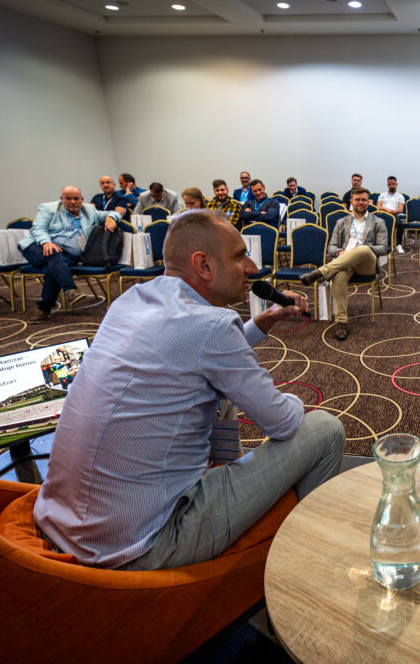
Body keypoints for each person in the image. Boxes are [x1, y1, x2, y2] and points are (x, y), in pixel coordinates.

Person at [33, 210, 345, 569]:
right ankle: (304, 561)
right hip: (145, 543)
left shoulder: (131, 301)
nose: (252, 267)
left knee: (221, 395)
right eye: (240, 256)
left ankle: (228, 484)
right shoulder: (212, 326)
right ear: (204, 265)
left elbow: (195, 352)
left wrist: (264, 320)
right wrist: (293, 400)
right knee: (325, 429)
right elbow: (283, 423)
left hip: (65, 522)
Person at [19, 186, 121, 323]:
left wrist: (111, 218)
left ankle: (44, 308)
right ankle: (69, 288)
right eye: (68, 198)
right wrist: (46, 242)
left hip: (67, 255)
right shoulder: (48, 208)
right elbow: (38, 228)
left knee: (52, 269)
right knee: (54, 254)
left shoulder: (89, 210)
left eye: (76, 198)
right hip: (38, 247)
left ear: (82, 199)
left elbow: (115, 213)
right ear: (61, 199)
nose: (72, 202)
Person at [300, 188, 388, 341]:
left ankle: (320, 272)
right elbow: (331, 247)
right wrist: (341, 252)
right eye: (357, 200)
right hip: (345, 263)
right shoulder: (341, 222)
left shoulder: (378, 222)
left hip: (367, 263)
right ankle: (341, 322)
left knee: (363, 249)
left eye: (364, 200)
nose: (361, 202)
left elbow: (383, 248)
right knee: (339, 275)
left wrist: (357, 250)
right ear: (351, 202)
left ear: (368, 202)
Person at [376, 175, 407, 254]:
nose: (391, 185)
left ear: (396, 184)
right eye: (390, 184)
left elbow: (400, 209)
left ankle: (398, 244)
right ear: (387, 185)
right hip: (382, 214)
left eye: (393, 184)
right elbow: (378, 207)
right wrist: (386, 209)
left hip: (393, 214)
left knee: (400, 225)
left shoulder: (400, 196)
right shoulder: (382, 195)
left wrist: (392, 211)